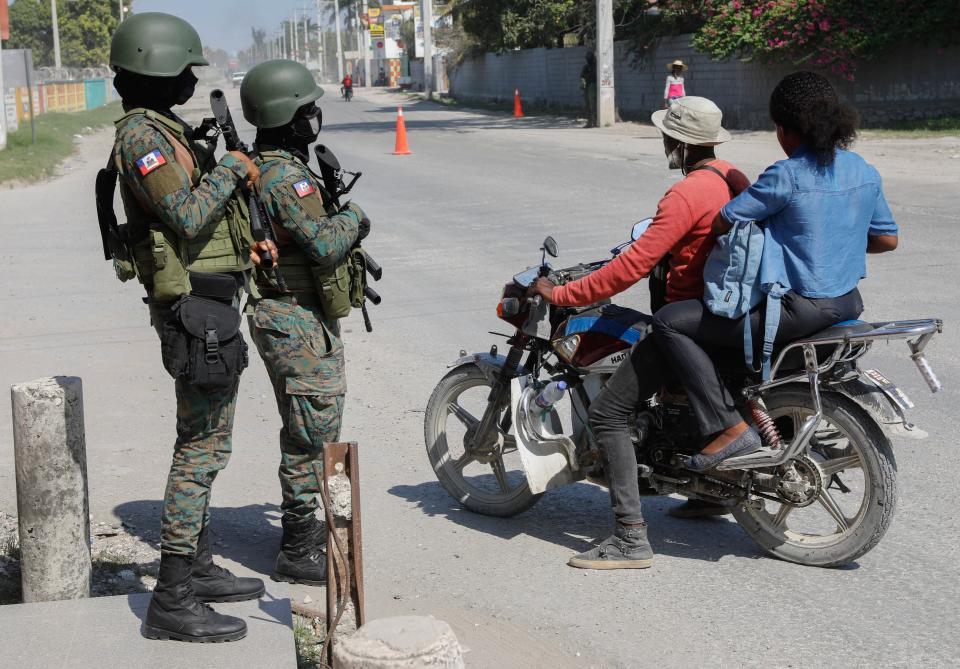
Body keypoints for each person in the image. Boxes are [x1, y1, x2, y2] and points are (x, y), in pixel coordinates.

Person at [529, 96, 750, 569]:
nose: (664, 143)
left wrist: (566, 295)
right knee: (676, 399)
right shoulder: (731, 176)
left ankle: (630, 538)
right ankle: (711, 495)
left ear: (680, 143)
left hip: (686, 318)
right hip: (724, 314)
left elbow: (633, 265)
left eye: (667, 137)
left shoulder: (686, 193)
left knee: (609, 413)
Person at [108, 12, 271, 642]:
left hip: (212, 303)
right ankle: (172, 598)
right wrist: (231, 167)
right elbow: (184, 211)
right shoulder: (141, 140)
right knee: (202, 447)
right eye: (184, 69)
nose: (190, 80)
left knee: (209, 440)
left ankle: (196, 569)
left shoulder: (164, 129)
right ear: (157, 69)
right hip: (192, 311)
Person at [652, 71, 899, 471]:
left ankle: (726, 428)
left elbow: (723, 221)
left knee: (670, 322)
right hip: (847, 302)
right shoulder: (863, 170)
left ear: (783, 130)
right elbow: (887, 240)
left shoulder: (785, 176)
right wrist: (835, 238)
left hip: (798, 310)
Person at [239, 60, 371, 585]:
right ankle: (298, 545)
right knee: (310, 430)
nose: (314, 115)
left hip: (294, 313)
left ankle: (301, 526)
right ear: (285, 114)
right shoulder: (281, 176)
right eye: (305, 108)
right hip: (292, 316)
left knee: (307, 425)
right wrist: (355, 218)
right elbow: (322, 243)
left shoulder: (270, 166)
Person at [580, 51, 597, 128]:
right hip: (587, 87)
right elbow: (582, 76)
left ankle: (595, 122)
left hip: (593, 86)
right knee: (587, 105)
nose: (588, 59)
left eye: (589, 57)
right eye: (587, 58)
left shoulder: (596, 67)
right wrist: (583, 84)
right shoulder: (586, 67)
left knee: (593, 106)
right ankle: (590, 122)